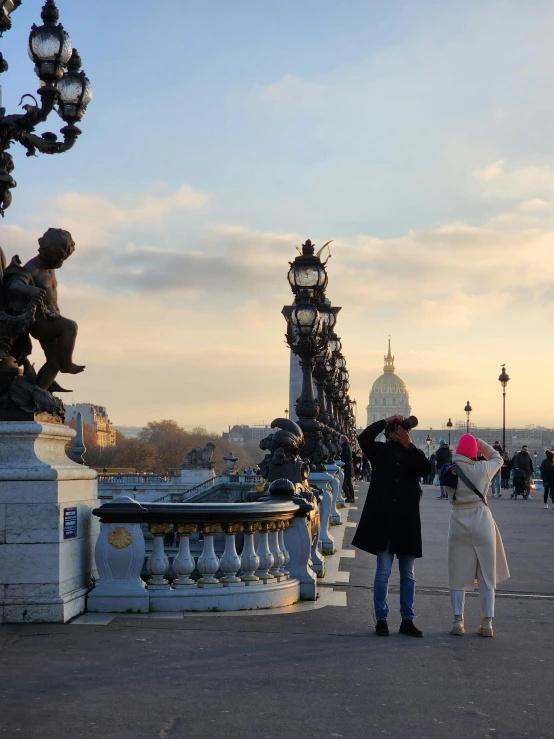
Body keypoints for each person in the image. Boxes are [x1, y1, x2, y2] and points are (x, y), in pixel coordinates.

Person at [352, 414, 431, 637]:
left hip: (406, 521)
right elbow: (364, 438)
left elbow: (425, 469)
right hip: (386, 519)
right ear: (389, 434)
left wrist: (409, 445)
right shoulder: (380, 451)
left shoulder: (411, 453)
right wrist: (385, 421)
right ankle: (381, 618)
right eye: (398, 430)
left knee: (408, 574)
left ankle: (407, 619)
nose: (403, 433)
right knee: (383, 572)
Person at [3, 228, 85, 390]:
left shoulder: (50, 266)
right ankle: (67, 364)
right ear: (50, 253)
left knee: (53, 362)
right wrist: (30, 290)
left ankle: (37, 392)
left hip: (52, 318)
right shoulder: (32, 268)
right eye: (59, 258)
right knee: (70, 326)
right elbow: (14, 285)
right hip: (39, 319)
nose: (60, 262)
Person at [445, 435, 509, 638]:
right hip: (481, 520)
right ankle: (487, 622)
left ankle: (458, 621)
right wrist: (480, 444)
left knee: (457, 572)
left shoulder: (450, 470)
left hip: (458, 520)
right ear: (474, 452)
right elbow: (498, 458)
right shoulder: (482, 469)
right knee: (486, 574)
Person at [340, 434, 355, 503]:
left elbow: (344, 456)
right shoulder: (348, 445)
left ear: (342, 440)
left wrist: (339, 461)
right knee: (349, 482)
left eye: (340, 440)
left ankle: (349, 497)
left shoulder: (344, 446)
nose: (339, 442)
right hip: (349, 467)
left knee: (343, 483)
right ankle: (352, 498)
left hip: (346, 467)